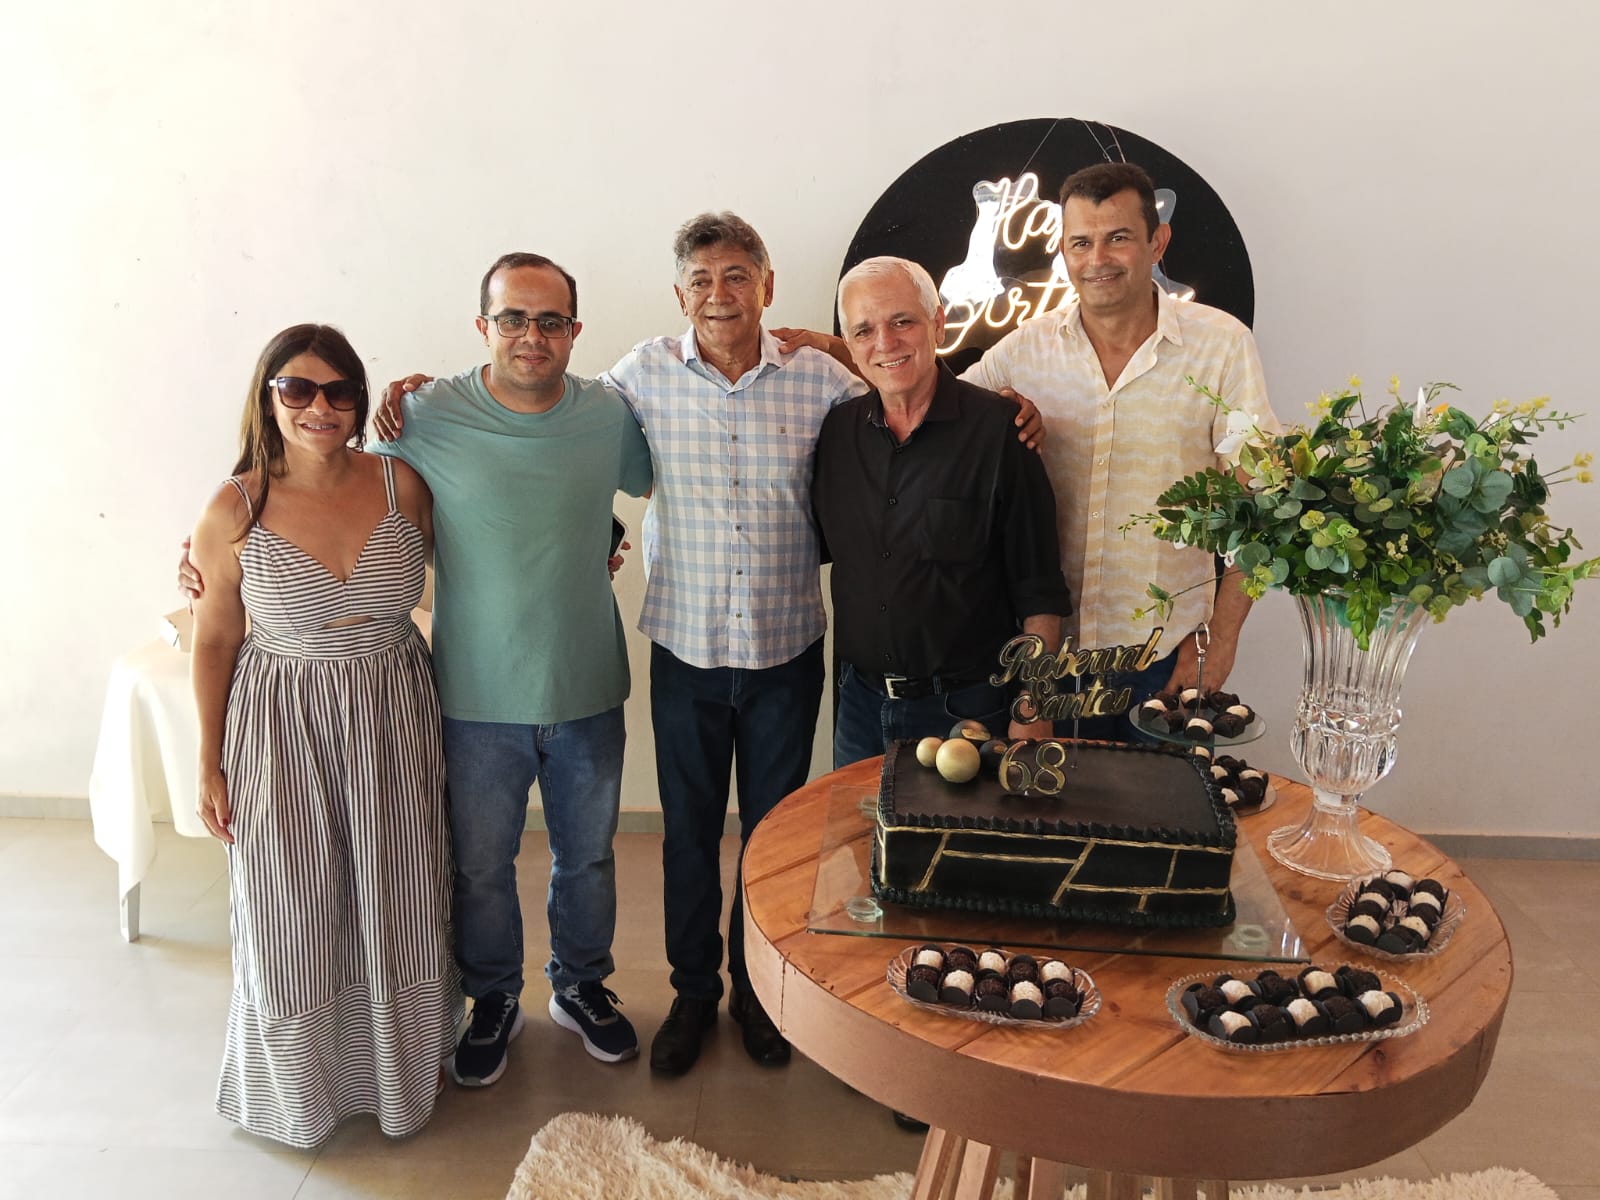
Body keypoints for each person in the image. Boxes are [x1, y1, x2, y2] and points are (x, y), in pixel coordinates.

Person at [189, 256, 653, 1088]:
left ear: (575, 331)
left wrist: (606, 538)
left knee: (587, 858)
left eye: (550, 320)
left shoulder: (608, 415)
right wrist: (200, 555)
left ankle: (581, 986)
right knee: (479, 868)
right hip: (470, 694)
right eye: (512, 318)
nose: (531, 335)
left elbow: (647, 490)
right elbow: (315, 482)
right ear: (483, 326)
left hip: (587, 684)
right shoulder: (423, 415)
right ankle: (493, 1000)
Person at [188, 324, 459, 1148]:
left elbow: (485, 551)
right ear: (268, 398)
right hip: (281, 724)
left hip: (393, 710)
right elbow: (214, 638)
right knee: (292, 904)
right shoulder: (234, 508)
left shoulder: (401, 484)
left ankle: (398, 1076)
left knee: (399, 893)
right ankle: (302, 1093)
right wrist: (208, 760)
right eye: (297, 389)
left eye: (339, 390)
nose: (319, 407)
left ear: (359, 400)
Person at [958, 162, 1279, 737]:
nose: (1097, 259)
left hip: (1160, 664)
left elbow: (1261, 510)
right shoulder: (1024, 351)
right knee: (1040, 799)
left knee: (1159, 801)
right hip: (1040, 665)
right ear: (1063, 250)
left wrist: (1221, 637)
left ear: (1158, 242)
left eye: (1118, 238)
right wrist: (836, 349)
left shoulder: (1221, 346)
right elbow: (934, 413)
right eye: (1081, 242)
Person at [813, 256, 1071, 768]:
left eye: (902, 321)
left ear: (938, 324)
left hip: (969, 710)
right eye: (864, 330)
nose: (885, 343)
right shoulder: (836, 433)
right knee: (856, 825)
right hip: (859, 708)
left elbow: (1040, 588)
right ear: (850, 344)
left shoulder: (1002, 431)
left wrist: (1035, 704)